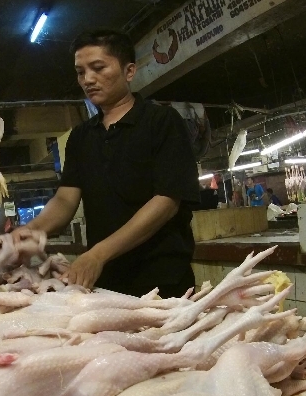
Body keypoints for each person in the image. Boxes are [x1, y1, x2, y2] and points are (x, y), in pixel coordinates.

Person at [17, 29, 200, 297]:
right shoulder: (81, 136)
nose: (88, 79)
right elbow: (66, 199)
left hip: (162, 279)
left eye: (98, 68)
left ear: (129, 71)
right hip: (105, 281)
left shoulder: (161, 122)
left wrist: (98, 253)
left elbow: (166, 202)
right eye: (81, 72)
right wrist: (29, 231)